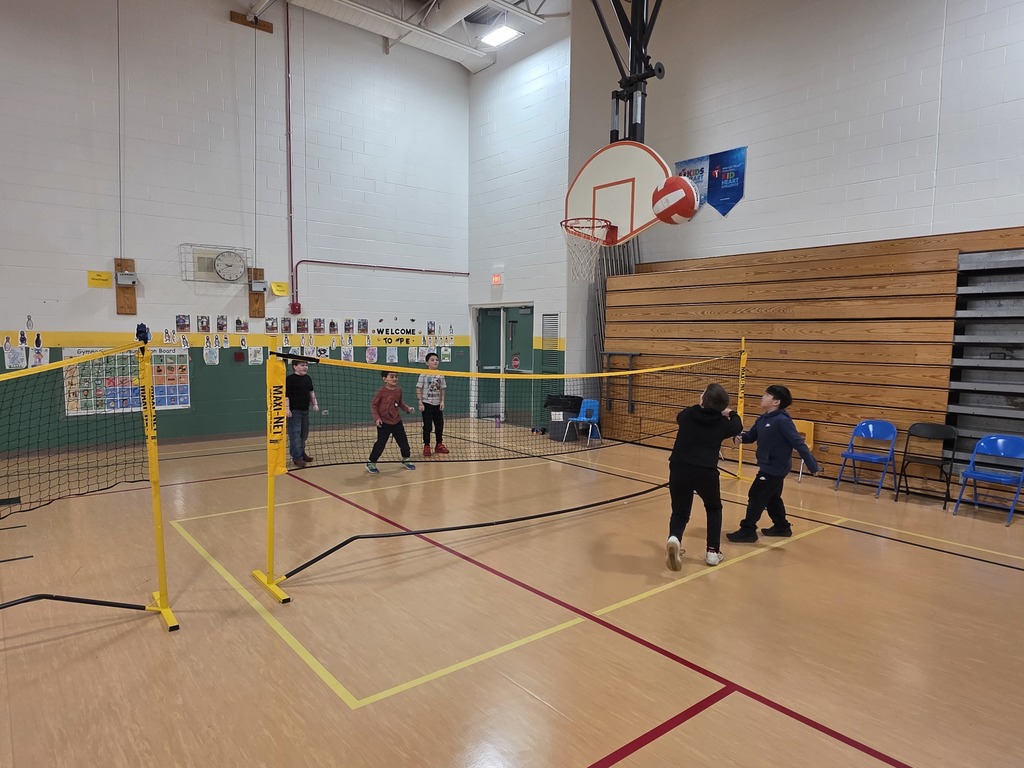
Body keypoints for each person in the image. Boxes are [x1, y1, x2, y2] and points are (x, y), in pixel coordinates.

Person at [726, 384, 820, 543]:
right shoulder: (763, 419)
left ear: (776, 402)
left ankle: (748, 530)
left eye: (767, 395)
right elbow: (751, 436)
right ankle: (782, 527)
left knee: (756, 495)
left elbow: (798, 443)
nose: (762, 397)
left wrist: (812, 465)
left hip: (775, 467)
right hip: (767, 465)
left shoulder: (782, 421)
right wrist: (741, 437)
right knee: (772, 498)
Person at [665, 383, 744, 570]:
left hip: (679, 468)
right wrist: (729, 412)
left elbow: (682, 414)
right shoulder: (723, 424)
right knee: (713, 508)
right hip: (705, 472)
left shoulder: (687, 416)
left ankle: (674, 538)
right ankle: (712, 552)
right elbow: (737, 425)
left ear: (702, 400)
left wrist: (705, 406)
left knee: (679, 511)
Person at [367, 370, 416, 473]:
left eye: (396, 376)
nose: (394, 378)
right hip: (384, 422)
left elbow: (400, 403)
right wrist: (377, 418)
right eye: (392, 376)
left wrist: (407, 409)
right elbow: (373, 405)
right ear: (385, 379)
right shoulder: (381, 391)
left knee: (404, 442)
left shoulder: (399, 390)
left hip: (396, 421)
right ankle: (371, 462)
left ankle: (406, 459)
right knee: (380, 444)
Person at [285, 360, 319, 469]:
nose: (305, 367)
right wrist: (287, 409)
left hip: (305, 411)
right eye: (302, 365)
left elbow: (311, 392)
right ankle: (297, 457)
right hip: (294, 412)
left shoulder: (308, 378)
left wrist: (315, 404)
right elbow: (286, 396)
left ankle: (301, 453)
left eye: (306, 365)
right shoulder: (289, 379)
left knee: (303, 435)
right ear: (295, 367)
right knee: (295, 435)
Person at [416, 352, 448, 456]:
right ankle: (426, 445)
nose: (435, 361)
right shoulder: (423, 374)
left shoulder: (440, 374)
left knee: (439, 425)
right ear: (427, 362)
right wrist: (420, 402)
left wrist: (442, 401)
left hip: (437, 404)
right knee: (427, 426)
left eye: (437, 360)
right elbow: (418, 388)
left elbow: (442, 389)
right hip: (427, 403)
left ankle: (439, 444)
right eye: (432, 360)